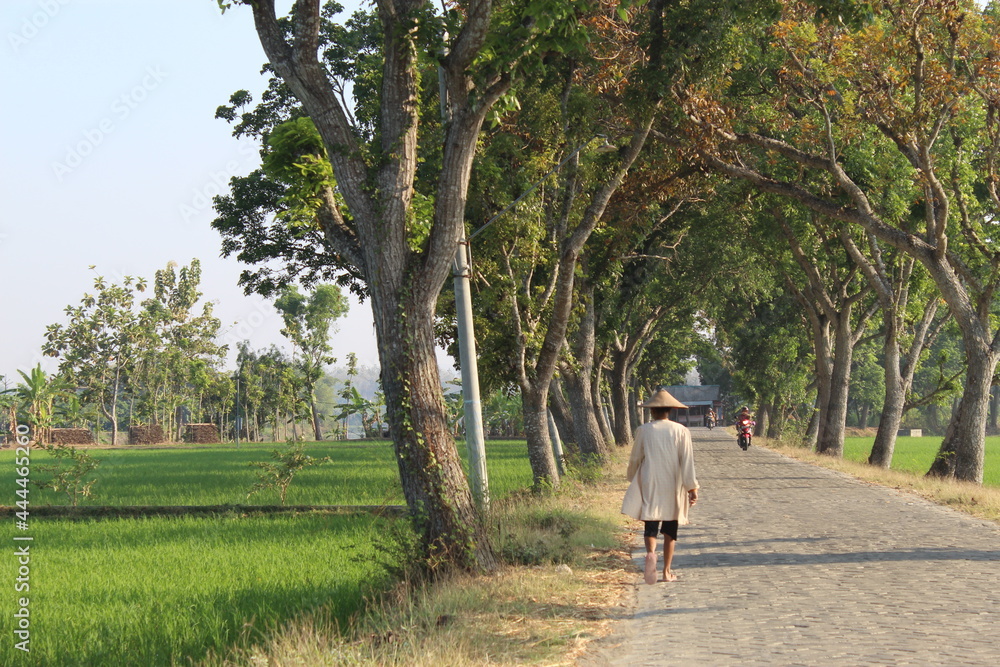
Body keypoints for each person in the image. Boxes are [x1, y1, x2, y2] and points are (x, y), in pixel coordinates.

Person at [625, 389, 699, 584]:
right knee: (670, 527)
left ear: (652, 412)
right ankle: (666, 572)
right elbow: (687, 461)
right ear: (670, 411)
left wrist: (632, 478)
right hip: (673, 483)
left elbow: (635, 459)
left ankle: (650, 553)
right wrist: (692, 487)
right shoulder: (681, 431)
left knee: (651, 521)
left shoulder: (644, 430)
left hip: (651, 481)